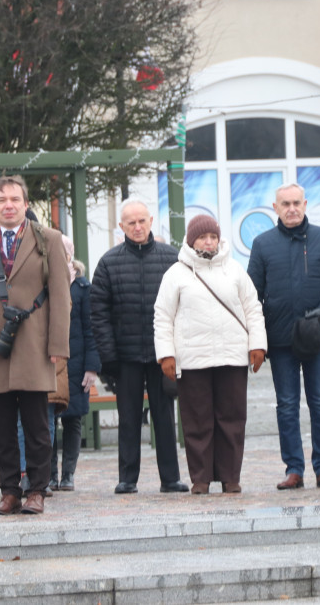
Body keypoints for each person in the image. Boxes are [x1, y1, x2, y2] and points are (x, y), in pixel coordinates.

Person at [0, 175, 71, 516]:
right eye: (1, 200)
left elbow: (61, 295)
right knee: (2, 427)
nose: (8, 205)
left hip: (35, 344)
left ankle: (36, 489)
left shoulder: (47, 239)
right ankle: (9, 491)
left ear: (25, 204)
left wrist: (58, 345)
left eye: (14, 199)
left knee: (38, 424)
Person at [247, 183, 320, 490]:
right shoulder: (263, 244)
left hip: (318, 335)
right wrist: (257, 338)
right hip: (280, 339)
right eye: (285, 204)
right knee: (286, 404)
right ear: (275, 207)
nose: (291, 208)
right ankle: (293, 468)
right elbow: (251, 292)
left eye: (296, 203)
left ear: (305, 204)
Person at [154, 215, 267, 494]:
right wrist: (166, 354)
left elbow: (253, 308)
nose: (208, 241)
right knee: (197, 420)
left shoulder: (235, 270)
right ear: (192, 240)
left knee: (232, 419)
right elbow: (163, 317)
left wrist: (258, 345)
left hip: (232, 356)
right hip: (193, 359)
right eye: (203, 237)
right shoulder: (176, 274)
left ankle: (231, 477)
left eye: (213, 237)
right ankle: (201, 479)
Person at [90, 198, 188, 495]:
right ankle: (127, 478)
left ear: (151, 221)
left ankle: (170, 478)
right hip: (126, 355)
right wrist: (108, 357)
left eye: (141, 221)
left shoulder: (172, 258)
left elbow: (185, 307)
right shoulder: (109, 262)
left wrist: (176, 349)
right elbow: (99, 313)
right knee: (129, 418)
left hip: (162, 355)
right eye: (130, 222)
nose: (136, 226)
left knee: (165, 417)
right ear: (121, 227)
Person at [50, 235, 100, 492]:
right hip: (50, 363)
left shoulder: (82, 288)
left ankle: (68, 474)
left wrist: (92, 367)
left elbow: (91, 330)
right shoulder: (44, 283)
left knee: (73, 420)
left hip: (77, 363)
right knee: (46, 419)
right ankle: (49, 474)